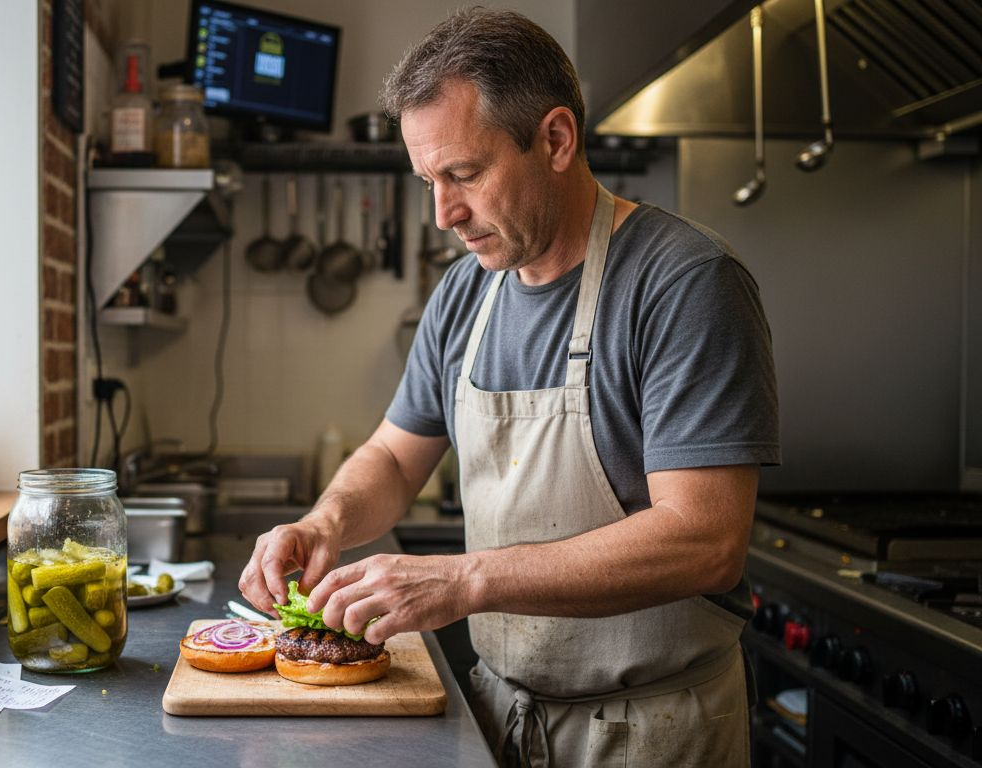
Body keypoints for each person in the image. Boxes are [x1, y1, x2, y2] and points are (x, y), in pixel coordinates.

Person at [240, 8, 778, 767]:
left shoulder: (683, 283)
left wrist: (465, 580)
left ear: (556, 139)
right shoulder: (465, 294)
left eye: (464, 174)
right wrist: (326, 523)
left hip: (654, 731)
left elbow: (706, 539)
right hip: (499, 716)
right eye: (429, 181)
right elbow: (396, 459)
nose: (443, 215)